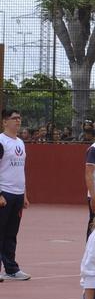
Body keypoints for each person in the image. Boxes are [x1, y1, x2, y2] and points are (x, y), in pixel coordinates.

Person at [0, 109, 32, 281]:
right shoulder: (1, 141)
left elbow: (21, 170)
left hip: (18, 194)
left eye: (20, 118)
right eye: (14, 118)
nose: (18, 121)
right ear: (5, 122)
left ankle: (11, 269)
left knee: (12, 233)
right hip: (4, 193)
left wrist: (24, 194)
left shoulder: (20, 142)